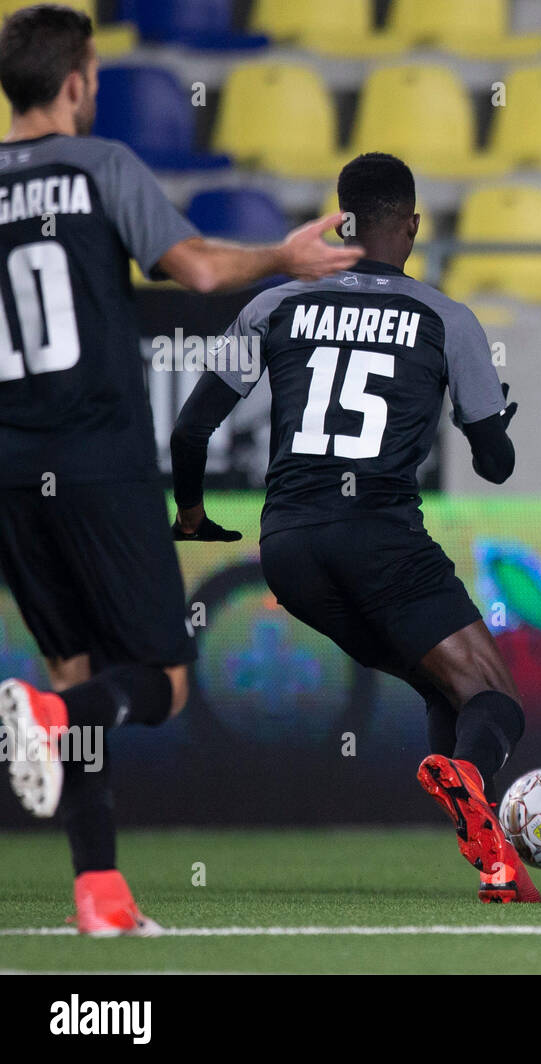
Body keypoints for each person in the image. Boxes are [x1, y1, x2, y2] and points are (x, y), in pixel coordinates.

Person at [0, 3, 362, 936]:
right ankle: (46, 712)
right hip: (99, 457)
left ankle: (100, 894)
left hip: (9, 471)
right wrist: (283, 255)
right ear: (78, 82)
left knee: (77, 663)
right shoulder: (100, 167)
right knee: (159, 682)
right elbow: (195, 270)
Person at [169, 152, 539, 904]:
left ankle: (494, 860)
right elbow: (495, 464)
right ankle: (474, 792)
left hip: (291, 551)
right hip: (380, 537)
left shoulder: (277, 304)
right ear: (409, 224)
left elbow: (189, 429)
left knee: (447, 687)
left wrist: (193, 513)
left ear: (342, 223)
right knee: (494, 696)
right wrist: (494, 418)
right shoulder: (446, 318)